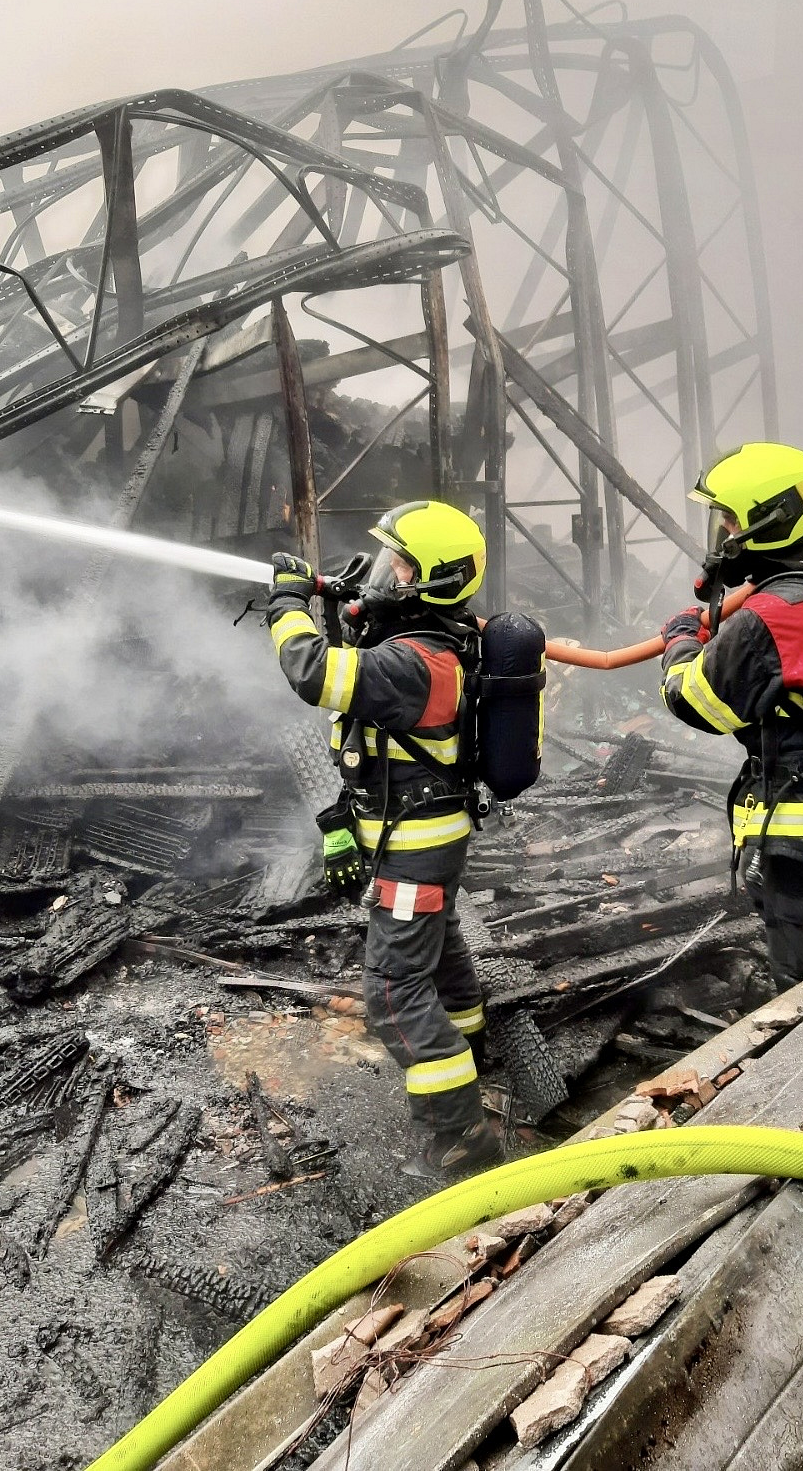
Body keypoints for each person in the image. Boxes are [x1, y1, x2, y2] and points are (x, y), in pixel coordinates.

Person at [264, 500, 501, 1180]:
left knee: (392, 991)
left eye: (398, 564)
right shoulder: (441, 638)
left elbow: (314, 673)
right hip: (432, 837)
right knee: (440, 947)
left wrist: (287, 604)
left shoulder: (415, 662)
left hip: (415, 846)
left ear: (429, 578)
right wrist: (350, 602)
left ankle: (462, 1134)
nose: (386, 572)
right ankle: (472, 1054)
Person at [659, 443, 803, 987]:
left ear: (770, 520)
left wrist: (681, 640)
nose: (724, 533)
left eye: (731, 520)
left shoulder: (774, 613)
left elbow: (694, 700)